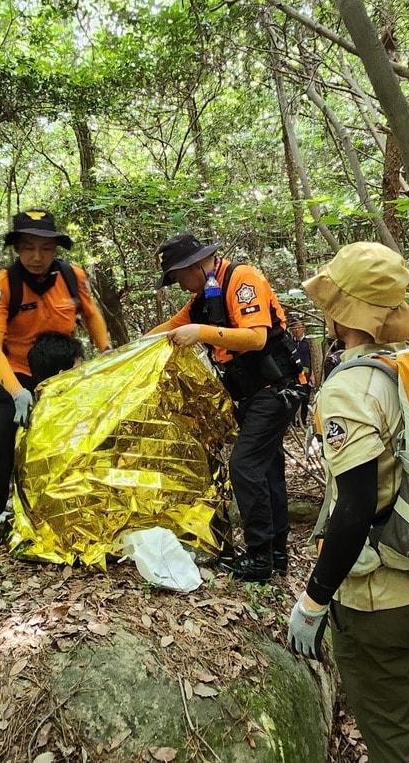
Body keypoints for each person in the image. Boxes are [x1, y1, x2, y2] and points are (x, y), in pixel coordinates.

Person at [285, 242, 409, 763]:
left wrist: (313, 600)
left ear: (340, 312)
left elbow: (354, 505)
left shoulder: (351, 387)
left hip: (377, 596)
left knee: (390, 734)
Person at [149, 232, 305, 582]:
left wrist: (201, 333)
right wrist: (125, 353)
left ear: (195, 265)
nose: (179, 284)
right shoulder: (201, 299)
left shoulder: (242, 279)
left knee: (245, 466)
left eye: (179, 276)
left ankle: (259, 557)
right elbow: (167, 330)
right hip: (249, 393)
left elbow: (257, 337)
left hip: (278, 387)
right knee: (267, 469)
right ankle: (275, 555)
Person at [0, 210, 110, 545]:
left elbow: (91, 315)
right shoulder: (1, 286)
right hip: (16, 372)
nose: (37, 257)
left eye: (46, 249)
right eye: (29, 247)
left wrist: (105, 350)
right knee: (6, 438)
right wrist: (17, 390)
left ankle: (59, 504)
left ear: (56, 250)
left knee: (70, 439)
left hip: (65, 374)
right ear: (17, 248)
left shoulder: (72, 276)